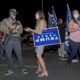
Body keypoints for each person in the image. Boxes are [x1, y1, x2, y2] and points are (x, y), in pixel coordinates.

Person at [0, 8, 27, 75]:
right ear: (10, 13)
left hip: (16, 39)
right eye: (13, 13)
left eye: (15, 14)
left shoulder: (18, 21)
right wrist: (9, 28)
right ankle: (10, 69)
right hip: (8, 39)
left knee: (19, 55)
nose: (15, 15)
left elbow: (21, 31)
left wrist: (19, 29)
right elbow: (0, 27)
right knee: (8, 55)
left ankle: (23, 68)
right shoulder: (5, 20)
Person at [25, 10, 48, 77]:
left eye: (36, 14)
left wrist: (30, 29)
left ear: (39, 14)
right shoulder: (38, 21)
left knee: (39, 56)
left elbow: (40, 32)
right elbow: (37, 31)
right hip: (38, 40)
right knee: (37, 56)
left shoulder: (42, 21)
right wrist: (32, 33)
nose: (35, 15)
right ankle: (40, 68)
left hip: (41, 41)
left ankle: (45, 71)